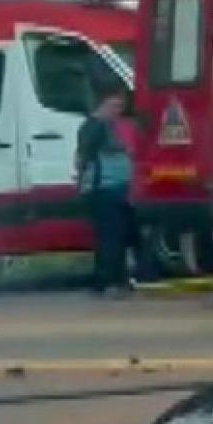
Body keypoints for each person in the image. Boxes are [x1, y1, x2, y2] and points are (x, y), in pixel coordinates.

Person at [75, 85, 137, 297]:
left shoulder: (112, 125)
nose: (118, 109)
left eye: (121, 105)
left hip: (118, 188)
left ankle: (117, 280)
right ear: (103, 104)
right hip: (103, 188)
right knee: (109, 237)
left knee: (117, 236)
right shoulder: (94, 127)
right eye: (115, 105)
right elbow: (83, 157)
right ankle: (105, 281)